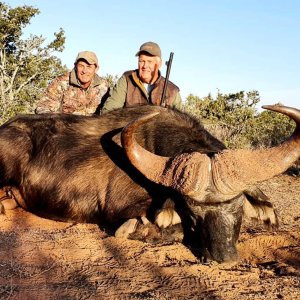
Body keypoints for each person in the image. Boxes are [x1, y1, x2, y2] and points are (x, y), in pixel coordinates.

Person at [101, 41, 182, 114]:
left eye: (150, 61)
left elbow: (181, 124)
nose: (145, 66)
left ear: (159, 64)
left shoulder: (172, 90)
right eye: (141, 61)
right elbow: (108, 112)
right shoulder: (127, 79)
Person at [35, 51, 109, 115]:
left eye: (89, 67)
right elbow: (42, 108)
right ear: (75, 66)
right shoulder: (61, 82)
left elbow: (109, 111)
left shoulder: (103, 86)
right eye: (81, 66)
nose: (84, 71)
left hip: (91, 128)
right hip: (63, 127)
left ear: (96, 69)